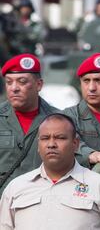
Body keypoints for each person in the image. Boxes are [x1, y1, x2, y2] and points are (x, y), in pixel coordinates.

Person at [0, 113, 100, 230]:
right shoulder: (16, 188)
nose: (51, 144)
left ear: (75, 144)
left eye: (60, 138)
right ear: (38, 145)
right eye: (45, 138)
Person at [0, 54, 59, 195]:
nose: (14, 88)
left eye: (22, 82)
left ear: (39, 85)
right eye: (9, 82)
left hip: (40, 204)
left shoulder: (57, 120)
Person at [64, 53, 100, 169]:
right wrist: (92, 155)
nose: (91, 88)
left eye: (98, 80)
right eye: (86, 81)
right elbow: (63, 146)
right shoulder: (67, 118)